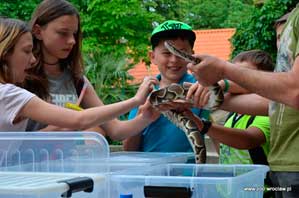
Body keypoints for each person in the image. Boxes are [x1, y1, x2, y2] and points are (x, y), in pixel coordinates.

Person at [187, 5, 299, 198]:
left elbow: (248, 139)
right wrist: (207, 100)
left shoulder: (262, 116)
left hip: (260, 188)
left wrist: (223, 72)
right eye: (278, 38)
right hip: (260, 177)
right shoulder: (236, 116)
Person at [24, 0, 159, 141]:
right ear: (38, 32)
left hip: (68, 163)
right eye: (63, 33)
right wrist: (62, 127)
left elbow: (116, 130)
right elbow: (10, 141)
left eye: (74, 34)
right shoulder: (18, 78)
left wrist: (146, 117)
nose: (72, 41)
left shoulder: (78, 81)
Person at [123, 20, 210, 152]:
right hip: (150, 171)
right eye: (167, 53)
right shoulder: (144, 93)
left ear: (192, 55)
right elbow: (129, 149)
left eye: (181, 53)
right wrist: (142, 117)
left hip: (188, 171)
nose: (174, 60)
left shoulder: (200, 87)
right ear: (152, 57)